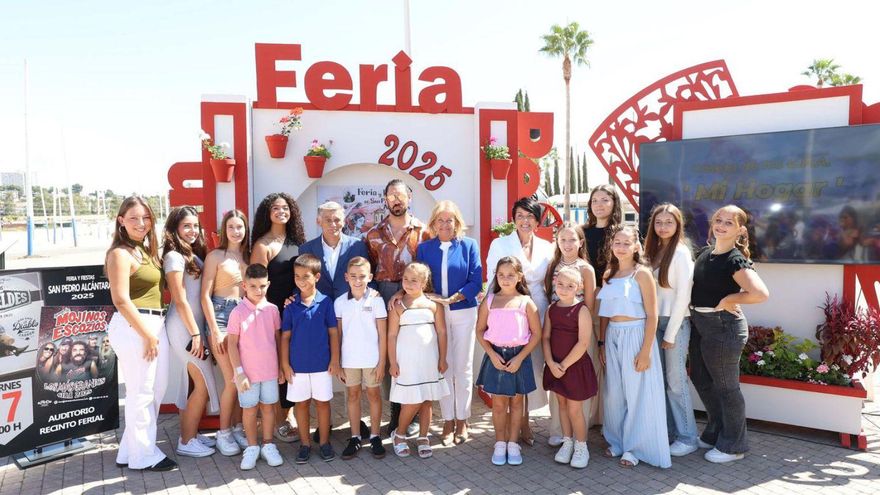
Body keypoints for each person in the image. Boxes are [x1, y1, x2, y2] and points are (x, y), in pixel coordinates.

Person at [690, 205, 769, 464]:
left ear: (740, 230)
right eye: (718, 220)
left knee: (727, 389)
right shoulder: (705, 253)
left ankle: (734, 445)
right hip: (701, 325)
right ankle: (715, 432)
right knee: (702, 381)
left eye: (728, 223)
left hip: (724, 328)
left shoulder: (735, 259)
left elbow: (760, 293)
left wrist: (728, 298)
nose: (721, 226)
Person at [105, 196, 176, 471]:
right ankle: (143, 456)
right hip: (135, 326)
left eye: (145, 217)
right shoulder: (119, 254)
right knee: (142, 392)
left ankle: (128, 451)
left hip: (153, 325)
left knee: (154, 390)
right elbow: (121, 299)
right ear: (121, 221)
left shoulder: (144, 250)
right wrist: (147, 335)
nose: (141, 223)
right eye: (133, 217)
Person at [597, 225, 671, 469]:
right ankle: (617, 440)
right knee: (614, 393)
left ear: (636, 246)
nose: (621, 247)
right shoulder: (609, 273)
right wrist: (602, 341)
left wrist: (645, 350)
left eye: (626, 243)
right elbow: (604, 314)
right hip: (613, 337)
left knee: (637, 393)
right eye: (617, 242)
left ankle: (635, 447)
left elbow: (653, 315)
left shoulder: (642, 274)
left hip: (636, 335)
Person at [301, 201, 372, 440]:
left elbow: (364, 279)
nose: (333, 224)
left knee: (352, 369)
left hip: (352, 320)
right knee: (324, 371)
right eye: (328, 219)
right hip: (319, 319)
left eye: (337, 219)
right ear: (318, 221)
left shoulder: (358, 246)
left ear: (344, 220)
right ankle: (325, 423)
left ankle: (356, 421)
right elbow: (302, 281)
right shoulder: (306, 248)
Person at [364, 178, 430, 436]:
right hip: (382, 295)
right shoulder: (372, 234)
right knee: (389, 355)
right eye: (391, 195)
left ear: (409, 199)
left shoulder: (423, 231)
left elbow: (426, 269)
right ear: (385, 199)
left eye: (401, 195)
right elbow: (368, 269)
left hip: (411, 297)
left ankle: (411, 415)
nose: (396, 200)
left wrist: (406, 291)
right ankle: (395, 414)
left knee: (410, 354)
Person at [485, 196, 554, 445]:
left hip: (537, 309)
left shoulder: (548, 246)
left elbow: (551, 280)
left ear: (537, 221)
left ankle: (524, 421)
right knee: (507, 368)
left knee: (530, 367)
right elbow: (492, 280)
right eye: (520, 216)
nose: (525, 221)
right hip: (507, 311)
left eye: (530, 216)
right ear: (513, 219)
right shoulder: (500, 244)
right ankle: (508, 431)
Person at [415, 200, 482, 445]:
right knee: (443, 366)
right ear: (433, 223)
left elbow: (477, 279)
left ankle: (463, 419)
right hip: (436, 312)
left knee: (462, 367)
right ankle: (447, 420)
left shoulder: (469, 245)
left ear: (457, 223)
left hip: (464, 309)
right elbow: (420, 279)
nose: (445, 224)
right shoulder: (424, 248)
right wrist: (429, 296)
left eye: (449, 220)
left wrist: (458, 296)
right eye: (440, 220)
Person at [162, 206, 219, 458]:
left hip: (193, 326)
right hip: (184, 327)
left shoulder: (191, 254)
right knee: (203, 384)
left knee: (192, 384)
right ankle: (186, 441)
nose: (192, 231)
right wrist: (196, 334)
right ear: (175, 228)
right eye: (186, 226)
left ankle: (190, 435)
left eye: (196, 226)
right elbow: (180, 299)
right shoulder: (174, 257)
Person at [475, 256, 542, 467]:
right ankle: (500, 443)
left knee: (516, 404)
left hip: (518, 357)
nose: (505, 279)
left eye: (511, 275)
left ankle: (513, 443)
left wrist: (520, 358)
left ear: (519, 276)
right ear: (496, 276)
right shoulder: (489, 301)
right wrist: (492, 355)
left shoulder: (526, 302)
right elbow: (479, 331)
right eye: (501, 275)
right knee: (498, 404)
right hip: (496, 357)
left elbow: (536, 335)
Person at [644, 203, 699, 457]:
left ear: (678, 225)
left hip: (673, 324)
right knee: (659, 382)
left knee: (676, 382)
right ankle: (668, 432)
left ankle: (688, 437)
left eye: (668, 222)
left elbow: (682, 297)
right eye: (658, 222)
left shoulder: (680, 253)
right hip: (653, 322)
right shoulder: (653, 252)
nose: (663, 227)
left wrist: (670, 333)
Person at [251, 192, 306, 443]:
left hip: (295, 311)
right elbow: (257, 286)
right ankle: (279, 420)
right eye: (276, 208)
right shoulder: (263, 245)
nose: (281, 212)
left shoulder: (297, 241)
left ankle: (290, 414)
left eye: (285, 207)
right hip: (273, 313)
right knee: (276, 367)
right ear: (267, 212)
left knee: (292, 363)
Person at [280, 254, 339, 464]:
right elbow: (285, 337)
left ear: (317, 277)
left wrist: (335, 359)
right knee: (301, 405)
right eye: (297, 276)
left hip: (322, 365)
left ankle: (324, 443)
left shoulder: (326, 302)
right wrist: (285, 364)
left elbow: (333, 332)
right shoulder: (290, 305)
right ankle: (305, 444)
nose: (301, 281)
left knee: (323, 404)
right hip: (297, 368)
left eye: (306, 276)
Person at [543, 222, 599, 443]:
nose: (567, 244)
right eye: (563, 239)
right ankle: (559, 432)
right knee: (558, 387)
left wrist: (578, 328)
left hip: (578, 334)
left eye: (572, 239)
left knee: (576, 388)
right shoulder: (553, 266)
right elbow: (550, 297)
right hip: (556, 331)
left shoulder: (586, 269)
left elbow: (590, 305)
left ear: (580, 242)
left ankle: (580, 438)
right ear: (557, 241)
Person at [387, 262, 449, 459]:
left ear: (424, 282)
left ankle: (423, 437)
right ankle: (399, 434)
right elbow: (391, 336)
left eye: (414, 280)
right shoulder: (398, 305)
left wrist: (443, 357)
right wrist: (393, 362)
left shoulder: (434, 305)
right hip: (407, 361)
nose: (408, 283)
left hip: (429, 360)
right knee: (411, 400)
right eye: (405, 279)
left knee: (427, 400)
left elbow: (441, 331)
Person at [201, 209, 251, 455]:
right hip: (221, 317)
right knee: (233, 379)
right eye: (231, 227)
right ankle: (223, 433)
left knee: (245, 378)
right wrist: (214, 329)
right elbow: (205, 296)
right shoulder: (215, 256)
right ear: (224, 230)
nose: (236, 231)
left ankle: (239, 427)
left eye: (240, 226)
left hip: (244, 317)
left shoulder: (249, 257)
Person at [225, 263, 284, 470]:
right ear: (244, 286)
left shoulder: (273, 310)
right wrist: (239, 372)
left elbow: (277, 340)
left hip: (270, 371)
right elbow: (232, 343)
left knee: (268, 409)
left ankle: (268, 445)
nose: (258, 291)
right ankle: (252, 447)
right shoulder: (237, 312)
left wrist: (281, 367)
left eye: (262, 286)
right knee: (249, 410)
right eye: (253, 286)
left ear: (268, 284)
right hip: (247, 374)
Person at [542, 267, 596, 469]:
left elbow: (583, 342)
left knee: (575, 409)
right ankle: (567, 441)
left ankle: (582, 446)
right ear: (555, 284)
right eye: (561, 284)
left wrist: (563, 365)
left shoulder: (581, 310)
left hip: (573, 367)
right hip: (555, 365)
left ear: (579, 287)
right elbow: (545, 337)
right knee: (562, 406)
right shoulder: (551, 309)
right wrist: (550, 363)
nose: (564, 289)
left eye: (570, 285)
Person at [335, 256, 388, 460]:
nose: (358, 280)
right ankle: (355, 436)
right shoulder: (340, 302)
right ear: (346, 277)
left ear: (370, 277)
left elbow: (383, 334)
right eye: (354, 276)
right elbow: (338, 334)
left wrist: (382, 362)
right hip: (349, 360)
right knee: (353, 396)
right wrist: (338, 361)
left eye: (362, 276)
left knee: (374, 395)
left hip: (372, 359)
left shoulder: (377, 300)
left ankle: (375, 435)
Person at [581, 184, 623, 288]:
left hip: (613, 294)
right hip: (585, 294)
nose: (598, 205)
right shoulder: (581, 232)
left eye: (604, 200)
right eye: (594, 200)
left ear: (614, 203)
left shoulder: (623, 233)